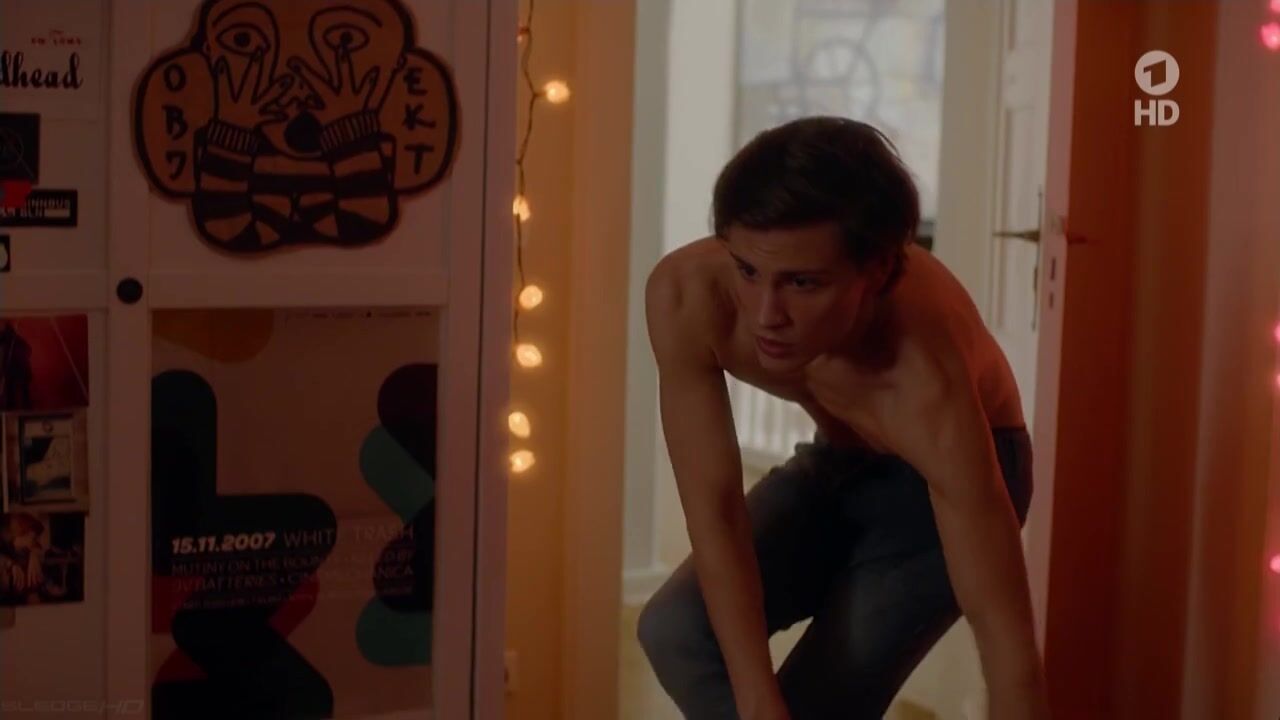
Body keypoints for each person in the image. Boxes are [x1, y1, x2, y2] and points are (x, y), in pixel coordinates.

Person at [638, 116, 1049, 719]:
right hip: (838, 459)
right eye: (748, 270)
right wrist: (756, 700)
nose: (766, 314)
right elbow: (716, 507)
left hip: (951, 480)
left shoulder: (920, 377)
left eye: (803, 283)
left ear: (876, 271)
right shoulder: (688, 297)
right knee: (674, 630)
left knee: (818, 705)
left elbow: (1005, 640)